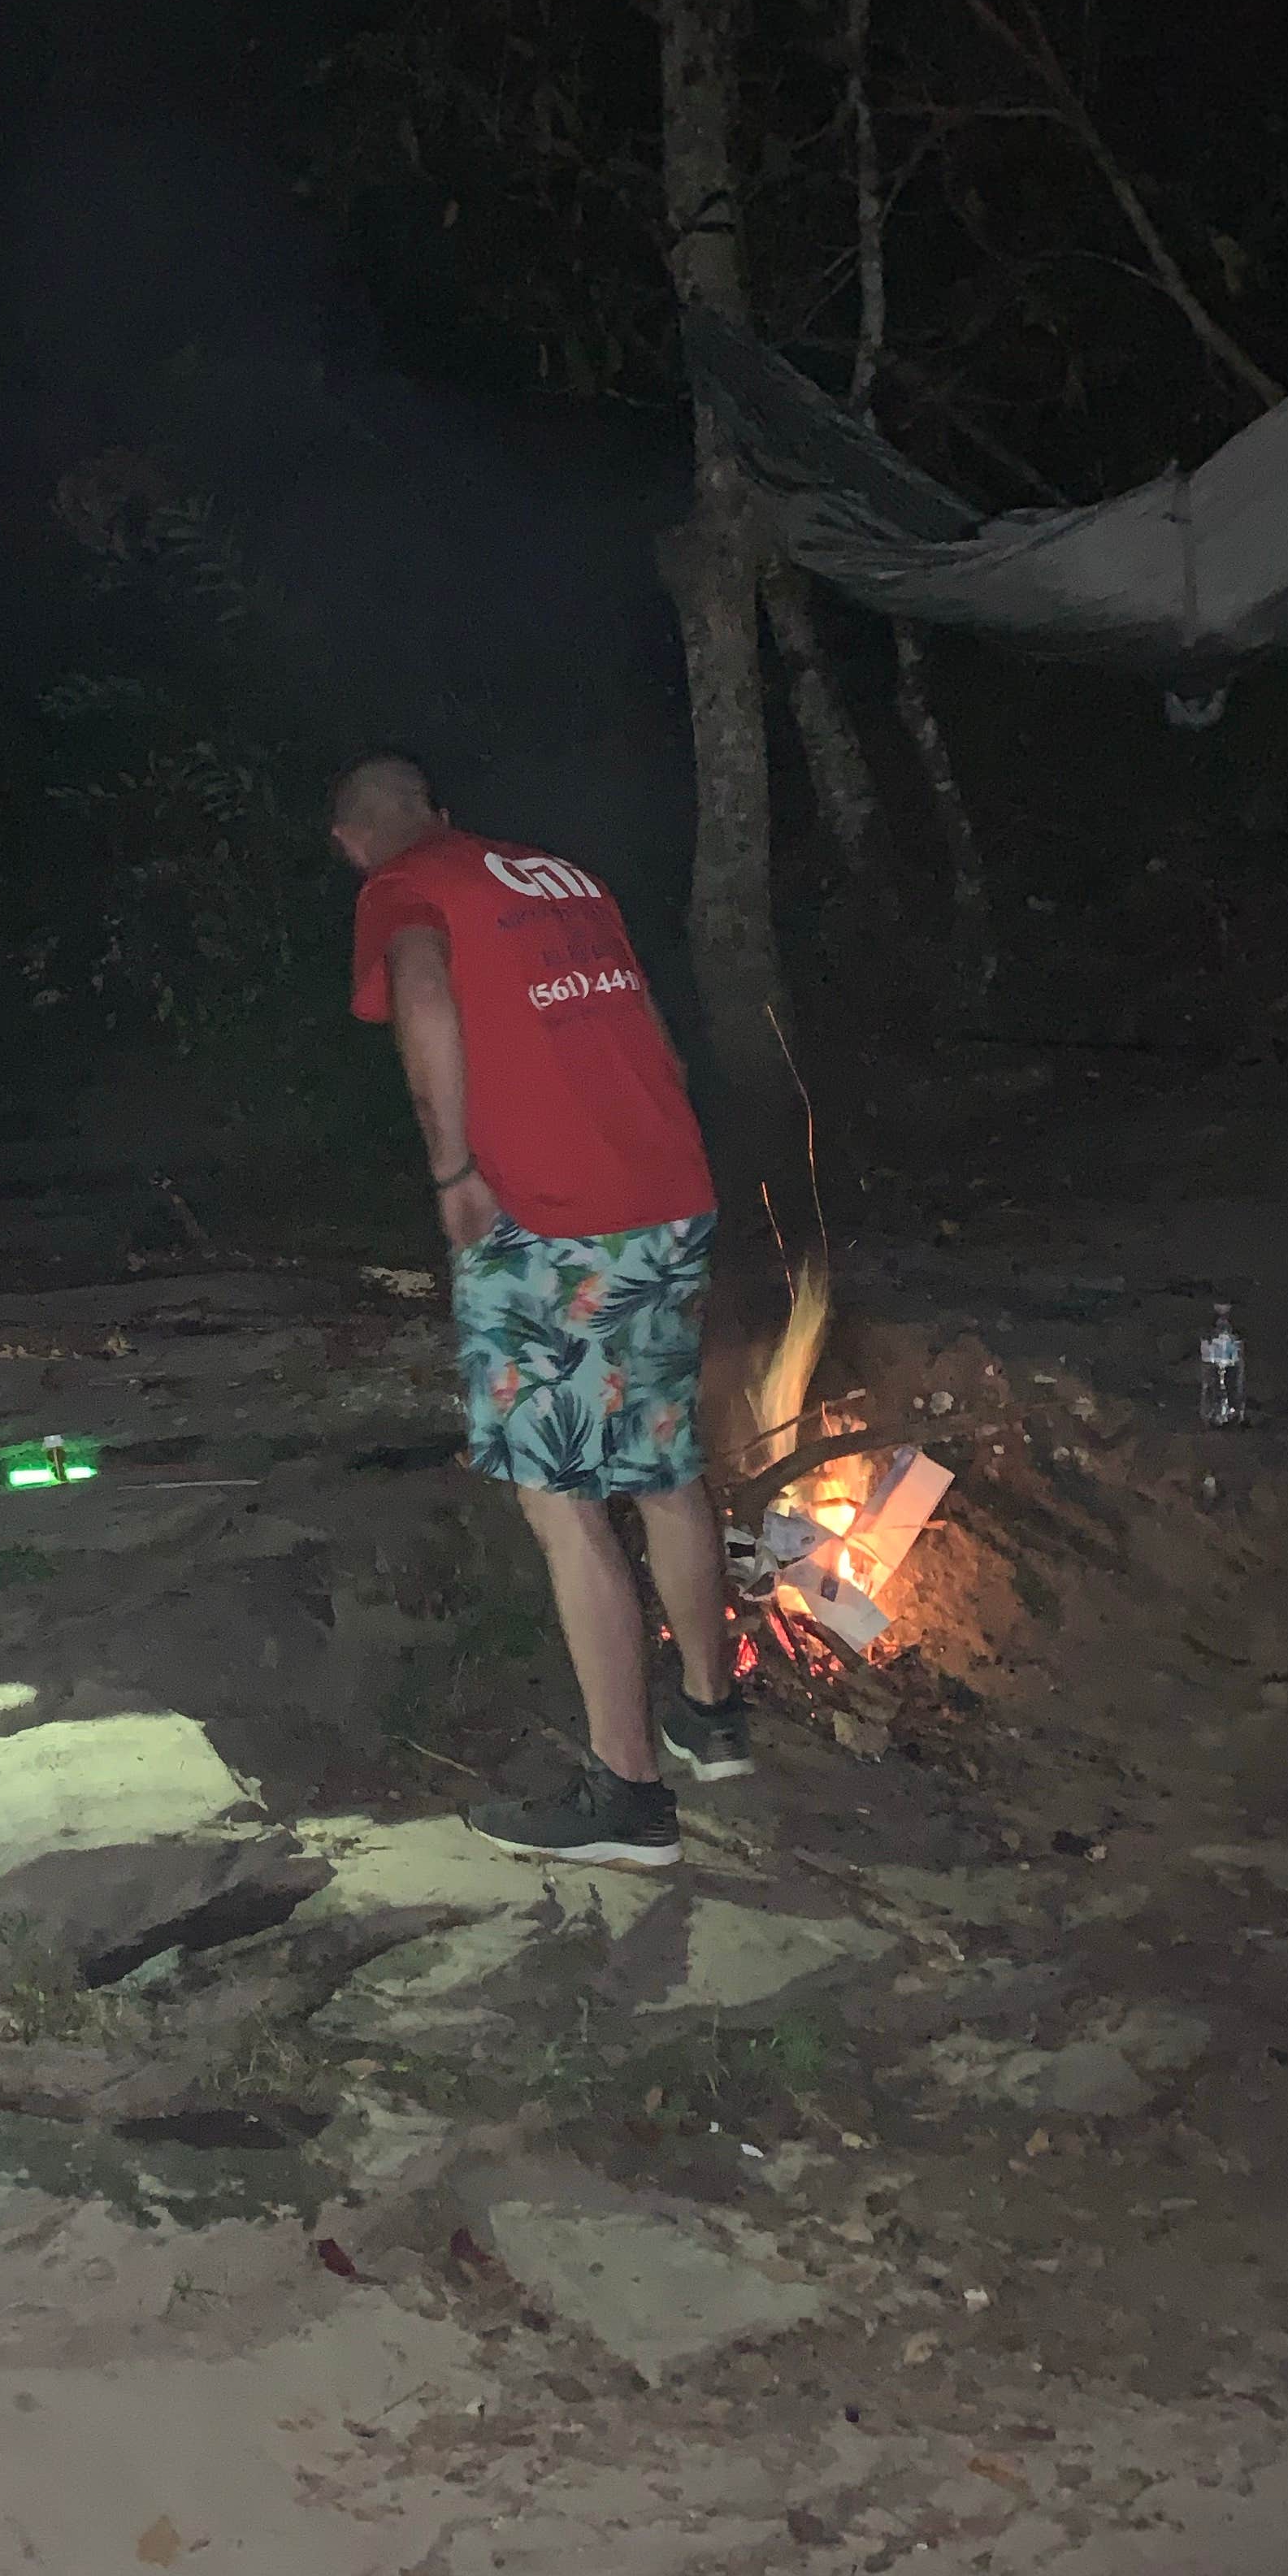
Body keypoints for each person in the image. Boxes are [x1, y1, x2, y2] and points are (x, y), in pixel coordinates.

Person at [333, 752, 752, 1868]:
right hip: (667, 1189)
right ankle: (712, 1718)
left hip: (554, 1221)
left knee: (558, 1499)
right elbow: (652, 1027)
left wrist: (452, 1169)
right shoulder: (559, 877)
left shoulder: (403, 886)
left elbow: (423, 1000)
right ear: (446, 812)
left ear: (351, 843)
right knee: (662, 1467)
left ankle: (627, 1795)